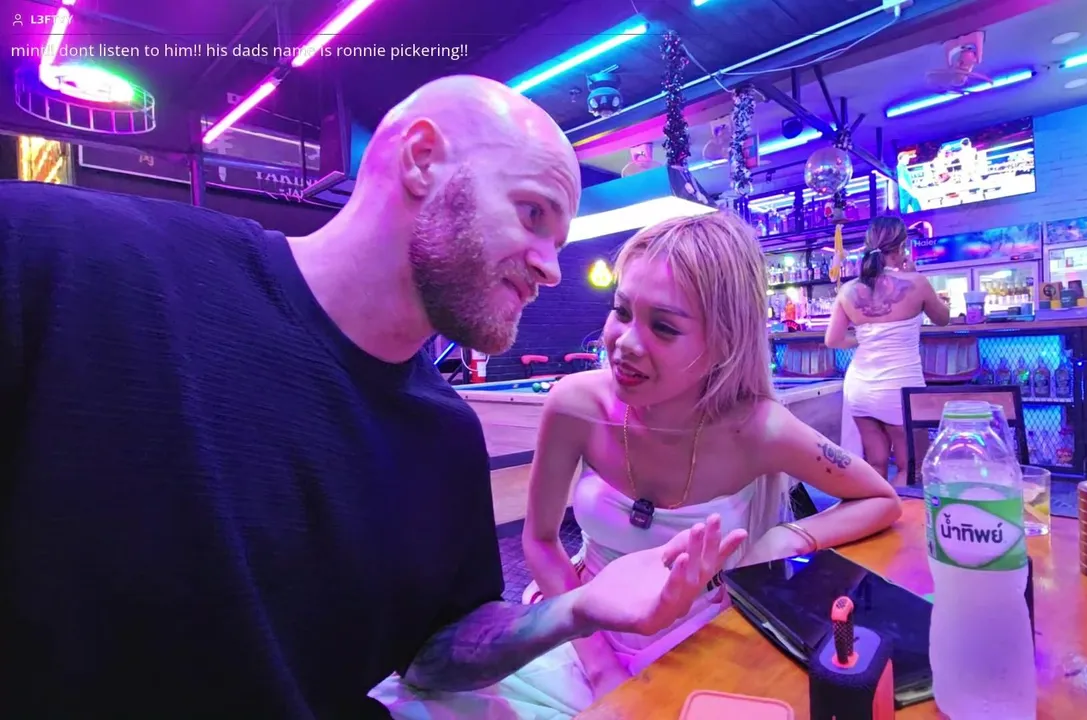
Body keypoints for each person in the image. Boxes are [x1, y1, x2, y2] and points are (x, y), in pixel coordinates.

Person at [0, 75, 745, 719]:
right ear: (421, 159)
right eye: (533, 214)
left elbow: (432, 657)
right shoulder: (68, 255)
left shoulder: (446, 438)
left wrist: (575, 607)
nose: (552, 269)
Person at [381, 212, 902, 718]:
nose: (625, 343)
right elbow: (540, 541)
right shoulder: (575, 404)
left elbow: (881, 498)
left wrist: (788, 538)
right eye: (623, 311)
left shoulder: (759, 427)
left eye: (664, 327)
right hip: (580, 635)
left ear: (725, 342)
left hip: (706, 636)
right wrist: (601, 666)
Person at [825, 216, 951, 482]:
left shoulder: (847, 290)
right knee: (911, 468)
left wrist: (865, 338)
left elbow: (832, 340)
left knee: (875, 463)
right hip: (900, 387)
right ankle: (899, 509)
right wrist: (913, 274)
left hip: (860, 387)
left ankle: (875, 507)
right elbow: (943, 318)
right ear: (902, 246)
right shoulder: (917, 283)